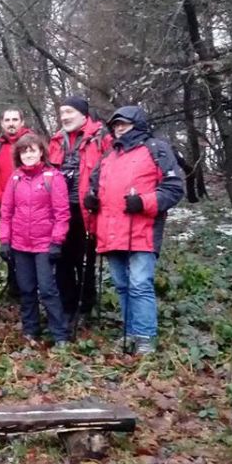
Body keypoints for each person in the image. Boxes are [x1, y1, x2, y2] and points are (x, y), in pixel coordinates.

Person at [84, 106, 185, 355]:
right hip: (110, 232)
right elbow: (95, 188)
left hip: (142, 231)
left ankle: (145, 338)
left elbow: (173, 188)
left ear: (137, 124)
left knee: (140, 284)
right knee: (122, 285)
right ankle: (130, 333)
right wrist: (92, 200)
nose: (119, 128)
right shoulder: (108, 156)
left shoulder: (156, 149)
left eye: (124, 124)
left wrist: (144, 202)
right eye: (115, 125)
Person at [0, 134, 71, 345]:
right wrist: (5, 240)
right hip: (20, 244)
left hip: (44, 244)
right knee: (26, 289)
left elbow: (62, 213)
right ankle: (31, 330)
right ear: (19, 155)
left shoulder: (53, 177)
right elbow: (7, 212)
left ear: (41, 152)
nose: (28, 154)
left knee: (48, 289)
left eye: (32, 150)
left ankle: (60, 334)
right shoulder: (15, 179)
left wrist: (57, 241)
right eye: (24, 151)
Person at [48, 96, 112, 325]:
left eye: (69, 112)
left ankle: (85, 308)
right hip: (61, 212)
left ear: (83, 114)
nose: (64, 117)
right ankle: (67, 307)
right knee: (62, 261)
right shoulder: (56, 140)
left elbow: (111, 170)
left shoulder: (101, 138)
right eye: (61, 113)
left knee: (86, 262)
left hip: (89, 211)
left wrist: (99, 197)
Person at [0, 108, 38, 298]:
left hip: (34, 208)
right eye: (7, 120)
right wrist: (3, 198)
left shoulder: (32, 143)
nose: (11, 123)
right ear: (2, 123)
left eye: (15, 119)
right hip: (7, 210)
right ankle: (15, 288)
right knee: (10, 248)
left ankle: (35, 287)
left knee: (34, 247)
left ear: (22, 122)